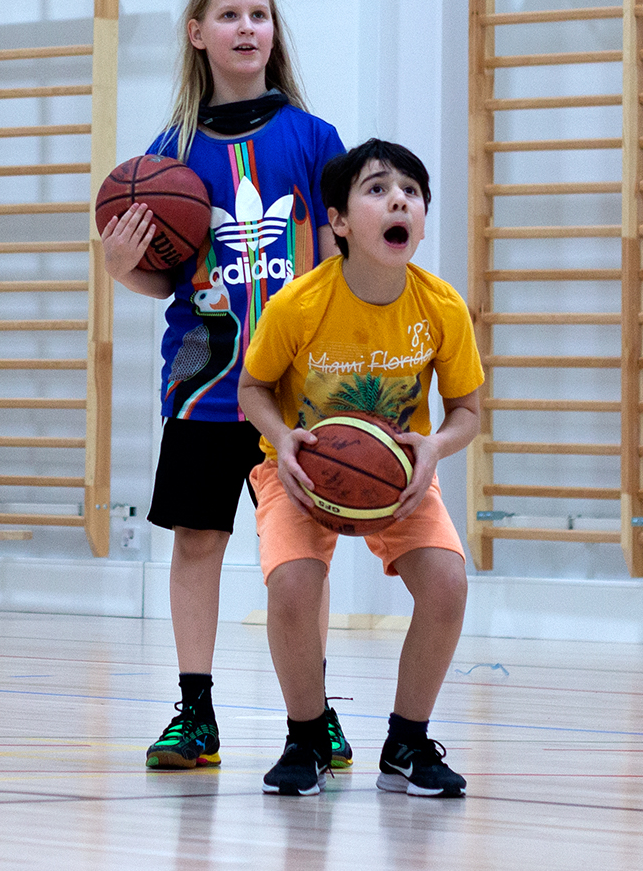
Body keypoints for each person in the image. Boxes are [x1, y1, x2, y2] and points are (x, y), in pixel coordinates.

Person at [99, 0, 349, 772]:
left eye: (261, 15)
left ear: (274, 34)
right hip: (205, 385)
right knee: (198, 545)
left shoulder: (314, 140)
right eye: (229, 15)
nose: (248, 28)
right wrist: (119, 267)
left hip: (297, 396)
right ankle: (196, 713)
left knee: (300, 562)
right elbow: (157, 277)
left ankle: (313, 717)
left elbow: (346, 258)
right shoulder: (166, 156)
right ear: (197, 33)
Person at [237, 138, 483, 797]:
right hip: (303, 471)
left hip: (399, 476)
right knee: (292, 588)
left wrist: (434, 449)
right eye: (376, 188)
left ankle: (407, 740)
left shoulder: (441, 309)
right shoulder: (300, 303)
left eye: (411, 191)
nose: (398, 198)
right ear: (339, 221)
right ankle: (307, 736)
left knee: (448, 585)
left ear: (422, 218)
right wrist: (282, 440)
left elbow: (466, 410)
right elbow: (253, 390)